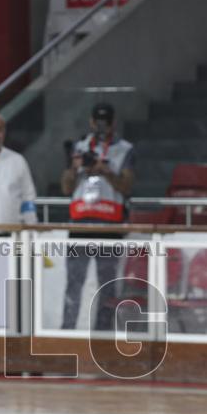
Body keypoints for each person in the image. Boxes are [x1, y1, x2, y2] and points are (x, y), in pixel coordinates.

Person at [59, 102, 135, 331]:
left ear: (113, 123)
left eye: (106, 121)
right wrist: (75, 168)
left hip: (110, 224)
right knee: (73, 283)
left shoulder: (124, 149)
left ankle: (102, 335)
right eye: (98, 121)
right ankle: (67, 331)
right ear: (92, 122)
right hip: (80, 223)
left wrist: (106, 170)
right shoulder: (79, 147)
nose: (102, 126)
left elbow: (127, 186)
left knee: (107, 286)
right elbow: (65, 187)